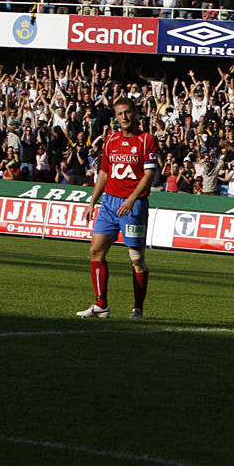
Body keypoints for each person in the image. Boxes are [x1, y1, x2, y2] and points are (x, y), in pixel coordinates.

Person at [77, 98, 158, 320]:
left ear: (135, 114)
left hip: (133, 206)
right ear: (116, 116)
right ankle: (101, 305)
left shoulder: (146, 140)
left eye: (128, 112)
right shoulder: (110, 139)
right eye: (120, 113)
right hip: (109, 204)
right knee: (96, 251)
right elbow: (104, 173)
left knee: (136, 259)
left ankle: (138, 308)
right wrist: (93, 201)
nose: (124, 117)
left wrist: (132, 199)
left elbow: (149, 174)